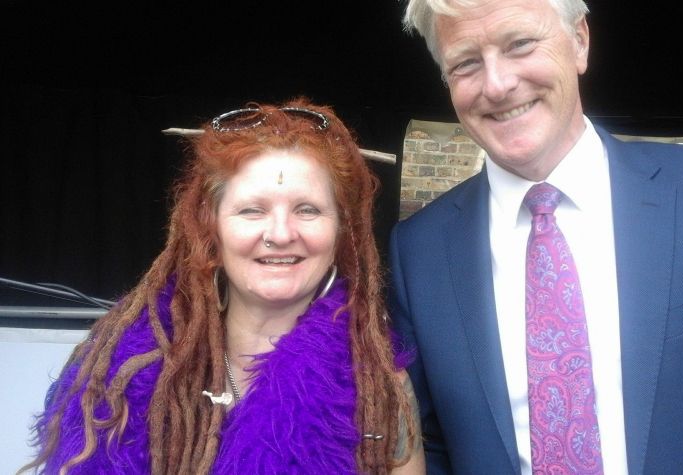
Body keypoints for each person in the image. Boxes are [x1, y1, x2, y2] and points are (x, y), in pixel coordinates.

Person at [390, 0, 683, 474]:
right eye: (465, 63)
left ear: (579, 41)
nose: (497, 84)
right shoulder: (419, 253)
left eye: (520, 44)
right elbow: (431, 448)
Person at [23, 99, 425, 474]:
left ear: (340, 231)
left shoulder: (380, 386)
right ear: (211, 227)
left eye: (308, 210)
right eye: (252, 210)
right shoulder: (114, 367)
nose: (280, 234)